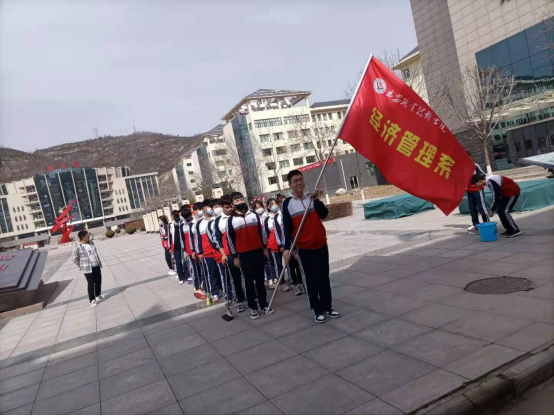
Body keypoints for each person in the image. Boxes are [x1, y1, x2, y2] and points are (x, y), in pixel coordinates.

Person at [282, 170, 340, 324]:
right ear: (290, 184)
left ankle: (327, 307)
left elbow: (323, 214)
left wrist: (317, 200)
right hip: (304, 248)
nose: (299, 183)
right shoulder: (287, 203)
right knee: (310, 280)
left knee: (324, 278)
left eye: (301, 179)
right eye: (295, 181)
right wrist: (287, 248)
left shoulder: (310, 198)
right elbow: (286, 227)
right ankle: (317, 310)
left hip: (320, 243)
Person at [228, 192, 274, 320]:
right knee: (248, 283)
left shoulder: (253, 215)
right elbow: (230, 239)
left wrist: (265, 248)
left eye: (241, 199)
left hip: (257, 252)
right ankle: (253, 307)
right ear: (233, 204)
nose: (240, 202)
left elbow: (261, 232)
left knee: (260, 281)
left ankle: (263, 304)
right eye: (236, 200)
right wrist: (235, 256)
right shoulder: (231, 220)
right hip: (243, 255)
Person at [214, 196, 246, 313]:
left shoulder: (237, 216)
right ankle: (239, 300)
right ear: (222, 207)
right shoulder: (218, 221)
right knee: (235, 278)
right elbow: (217, 239)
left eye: (231, 207)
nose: (230, 209)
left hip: (242, 251)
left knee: (246, 276)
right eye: (227, 207)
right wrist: (223, 254)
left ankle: (251, 296)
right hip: (229, 254)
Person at [471, 174, 522, 238]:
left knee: (504, 211)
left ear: (480, 181)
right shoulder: (489, 182)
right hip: (505, 194)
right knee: (500, 211)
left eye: (476, 184)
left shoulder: (491, 181)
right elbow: (496, 194)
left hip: (512, 192)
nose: (476, 186)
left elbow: (496, 196)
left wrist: (492, 210)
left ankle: (514, 229)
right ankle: (509, 229)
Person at [196, 199, 221, 302]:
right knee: (212, 273)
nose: (211, 209)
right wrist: (200, 252)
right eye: (209, 207)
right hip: (207, 253)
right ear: (204, 209)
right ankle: (214, 293)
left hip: (219, 251)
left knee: (222, 272)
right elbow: (197, 238)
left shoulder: (217, 219)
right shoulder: (199, 223)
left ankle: (225, 289)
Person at [72, 230, 105, 308]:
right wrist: (82, 266)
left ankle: (98, 295)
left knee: (98, 281)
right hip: (87, 268)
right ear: (83, 237)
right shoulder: (77, 247)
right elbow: (75, 258)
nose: (89, 237)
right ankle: (92, 300)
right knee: (91, 284)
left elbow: (95, 254)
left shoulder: (91, 243)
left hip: (96, 265)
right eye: (87, 236)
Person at [264, 198, 289, 292]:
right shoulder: (267, 219)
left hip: (285, 243)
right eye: (271, 204)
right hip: (274, 246)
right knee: (278, 265)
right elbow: (266, 233)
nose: (274, 206)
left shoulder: (282, 215)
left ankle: (292, 280)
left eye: (275, 203)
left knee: (288, 262)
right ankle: (281, 282)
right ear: (268, 207)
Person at [466, 155, 489, 231]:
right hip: (469, 190)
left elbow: (483, 175)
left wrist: (476, 178)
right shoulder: (462, 167)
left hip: (477, 189)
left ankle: (487, 223)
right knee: (472, 208)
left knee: (482, 207)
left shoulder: (475, 166)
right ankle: (475, 224)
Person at [169, 211, 190, 285]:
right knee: (178, 262)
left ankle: (187, 276)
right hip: (175, 247)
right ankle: (181, 277)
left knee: (184, 261)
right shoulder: (171, 225)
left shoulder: (182, 224)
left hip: (182, 246)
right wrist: (170, 247)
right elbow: (170, 237)